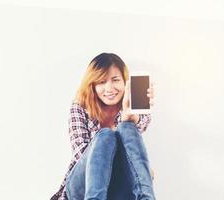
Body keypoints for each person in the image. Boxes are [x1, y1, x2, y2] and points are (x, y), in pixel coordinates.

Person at [51, 53, 156, 200]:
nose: (109, 88)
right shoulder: (81, 106)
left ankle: (147, 197)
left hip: (119, 189)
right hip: (82, 188)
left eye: (115, 80)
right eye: (101, 82)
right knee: (105, 135)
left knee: (128, 128)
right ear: (92, 85)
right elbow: (81, 155)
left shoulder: (132, 105)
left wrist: (129, 117)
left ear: (125, 82)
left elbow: (139, 128)